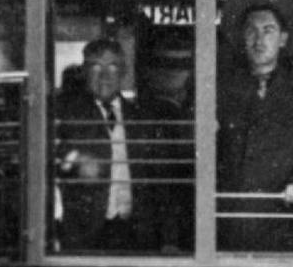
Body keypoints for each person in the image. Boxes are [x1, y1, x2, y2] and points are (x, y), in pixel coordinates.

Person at [216, 0, 293, 251]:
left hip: (283, 221)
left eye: (268, 30)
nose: (259, 39)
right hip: (231, 220)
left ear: (283, 39)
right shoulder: (222, 89)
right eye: (251, 31)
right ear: (242, 38)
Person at [52, 38, 138, 251]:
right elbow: (53, 157)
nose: (105, 76)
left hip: (136, 232)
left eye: (113, 66)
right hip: (86, 233)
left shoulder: (140, 117)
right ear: (84, 72)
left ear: (124, 72)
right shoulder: (67, 115)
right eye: (96, 67)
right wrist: (76, 160)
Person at [135, 26, 196, 253]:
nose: (171, 73)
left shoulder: (192, 113)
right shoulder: (145, 117)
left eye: (181, 66)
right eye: (164, 64)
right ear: (150, 71)